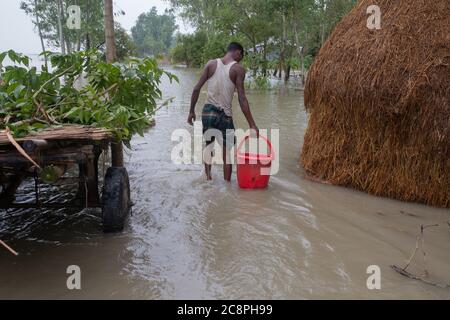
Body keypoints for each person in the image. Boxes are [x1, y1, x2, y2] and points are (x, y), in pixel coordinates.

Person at [187, 42, 259, 181]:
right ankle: (227, 186)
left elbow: (196, 89)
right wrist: (252, 124)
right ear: (237, 52)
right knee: (227, 155)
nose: (240, 60)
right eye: (241, 56)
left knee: (208, 148)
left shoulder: (211, 64)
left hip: (208, 112)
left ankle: (208, 179)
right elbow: (242, 99)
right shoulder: (238, 70)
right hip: (225, 115)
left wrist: (191, 111)